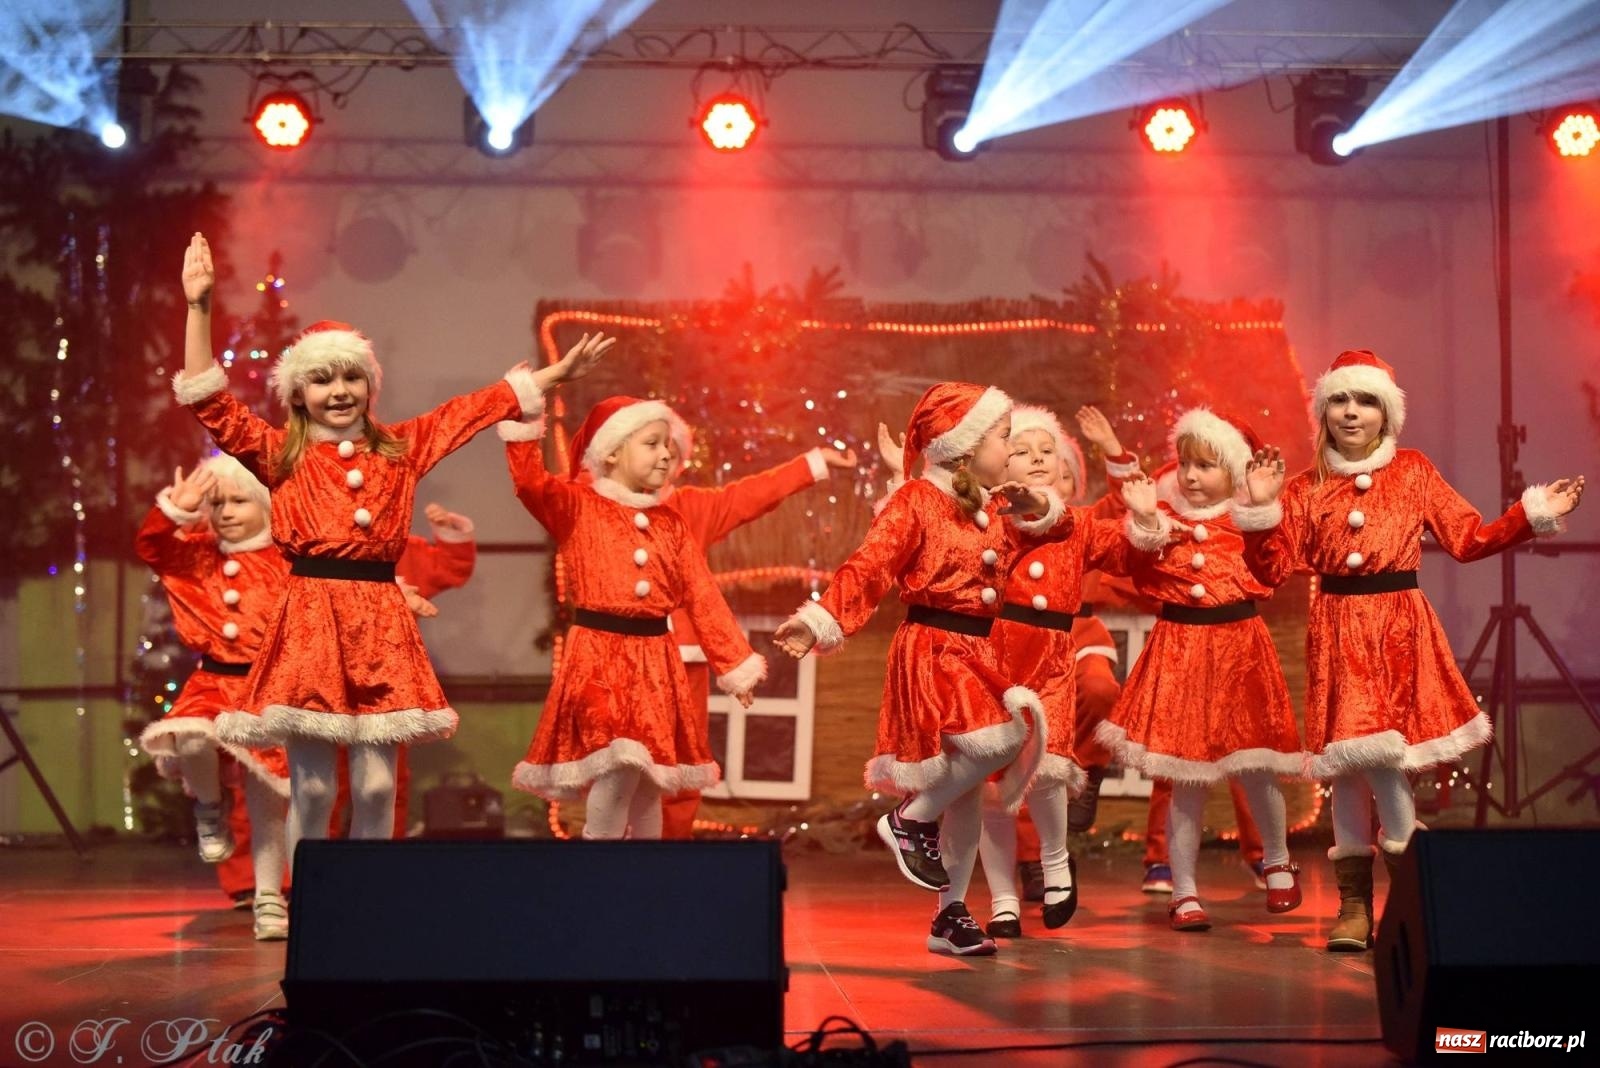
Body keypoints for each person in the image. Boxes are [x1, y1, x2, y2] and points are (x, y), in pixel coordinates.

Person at [1237, 349, 1583, 950]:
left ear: (1386, 415)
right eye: (1339, 400)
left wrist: (1531, 516)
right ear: (1323, 411)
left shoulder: (1414, 471)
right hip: (1339, 627)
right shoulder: (1303, 486)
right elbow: (1267, 574)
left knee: (1385, 762)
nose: (1351, 412)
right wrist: (1262, 512)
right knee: (1348, 767)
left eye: (1365, 400)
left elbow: (1468, 538)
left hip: (1397, 628)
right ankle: (1353, 906)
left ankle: (1407, 899)